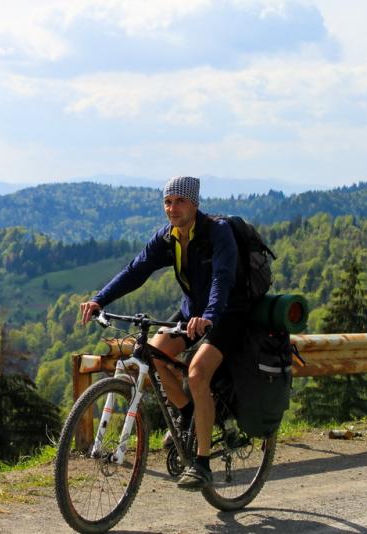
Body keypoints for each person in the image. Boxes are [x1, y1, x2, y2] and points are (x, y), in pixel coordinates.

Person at [79, 175, 249, 491]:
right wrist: (100, 298)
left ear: (194, 204)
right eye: (168, 202)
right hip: (190, 313)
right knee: (152, 353)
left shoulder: (218, 232)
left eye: (180, 201)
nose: (172, 208)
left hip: (228, 314)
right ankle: (188, 413)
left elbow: (222, 279)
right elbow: (135, 271)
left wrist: (209, 316)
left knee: (197, 374)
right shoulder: (167, 237)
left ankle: (201, 464)